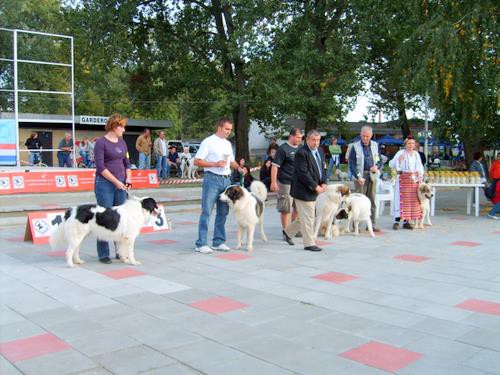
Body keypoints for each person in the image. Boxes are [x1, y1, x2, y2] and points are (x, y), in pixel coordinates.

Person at [194, 117, 245, 254]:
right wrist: (215, 164)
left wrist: (239, 169)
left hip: (226, 180)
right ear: (219, 127)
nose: (229, 132)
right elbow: (197, 161)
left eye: (230, 130)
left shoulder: (227, 144)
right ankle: (201, 243)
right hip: (212, 179)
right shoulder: (208, 142)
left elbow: (231, 162)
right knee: (207, 211)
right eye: (227, 129)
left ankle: (218, 241)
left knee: (223, 212)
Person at [93, 114, 131, 263]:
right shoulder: (100, 143)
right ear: (115, 127)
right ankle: (103, 254)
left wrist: (128, 177)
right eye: (122, 126)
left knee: (120, 219)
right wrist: (116, 182)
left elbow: (127, 162)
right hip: (105, 184)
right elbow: (101, 167)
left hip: (121, 183)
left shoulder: (122, 143)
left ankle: (120, 251)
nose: (124, 129)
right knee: (105, 217)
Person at [283, 129, 327, 252]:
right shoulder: (301, 153)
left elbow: (323, 168)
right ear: (307, 140)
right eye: (313, 140)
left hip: (315, 189)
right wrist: (315, 186)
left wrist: (324, 182)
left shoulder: (321, 151)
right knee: (309, 217)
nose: (316, 143)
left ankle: (288, 232)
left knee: (305, 216)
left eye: (318, 140)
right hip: (303, 190)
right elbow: (303, 174)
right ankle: (309, 243)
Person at [270, 128, 303, 243]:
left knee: (298, 208)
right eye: (298, 137)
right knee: (286, 209)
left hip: (298, 183)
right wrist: (274, 182)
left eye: (301, 138)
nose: (300, 140)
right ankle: (286, 232)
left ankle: (293, 230)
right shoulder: (283, 149)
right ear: (291, 136)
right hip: (285, 183)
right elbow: (275, 166)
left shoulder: (300, 148)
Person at [348, 126, 381, 231]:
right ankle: (356, 226)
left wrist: (377, 166)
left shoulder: (376, 145)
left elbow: (379, 160)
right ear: (360, 134)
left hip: (373, 175)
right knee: (359, 201)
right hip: (360, 176)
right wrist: (358, 176)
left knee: (372, 200)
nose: (365, 138)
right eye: (363, 136)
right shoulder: (355, 147)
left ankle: (372, 224)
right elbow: (351, 164)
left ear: (371, 135)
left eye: (367, 136)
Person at [389, 136, 424, 230]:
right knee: (401, 200)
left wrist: (420, 175)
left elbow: (420, 166)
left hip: (413, 181)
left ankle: (406, 221)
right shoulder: (400, 153)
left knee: (411, 201)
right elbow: (391, 164)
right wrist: (398, 160)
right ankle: (396, 221)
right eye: (409, 143)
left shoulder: (416, 154)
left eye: (413, 143)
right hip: (403, 180)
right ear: (405, 144)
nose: (411, 145)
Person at [486, 153, 500, 219]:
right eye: (498, 156)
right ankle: (493, 211)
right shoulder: (495, 163)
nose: (499, 158)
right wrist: (491, 178)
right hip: (495, 179)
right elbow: (491, 171)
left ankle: (494, 210)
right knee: (495, 192)